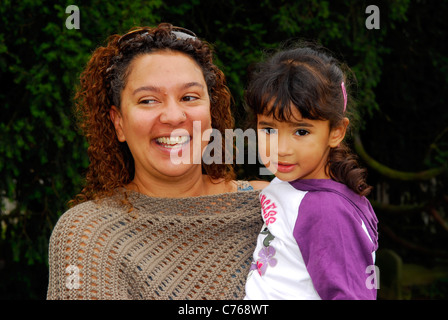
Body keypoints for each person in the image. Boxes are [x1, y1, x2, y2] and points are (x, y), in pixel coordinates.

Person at [46, 23, 267, 300]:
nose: (173, 116)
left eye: (189, 97)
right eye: (148, 100)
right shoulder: (90, 235)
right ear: (119, 123)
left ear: (211, 113)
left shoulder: (273, 209)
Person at [243, 45, 379, 300]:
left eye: (301, 132)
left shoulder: (326, 211)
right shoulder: (296, 182)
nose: (281, 149)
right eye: (269, 130)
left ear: (336, 131)